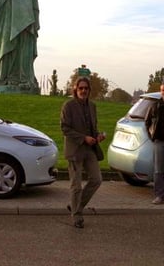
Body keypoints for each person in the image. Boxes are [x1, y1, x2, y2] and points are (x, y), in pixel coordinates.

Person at [60, 77, 105, 228]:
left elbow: (93, 127)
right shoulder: (68, 106)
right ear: (76, 89)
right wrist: (83, 138)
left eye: (86, 88)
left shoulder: (92, 106)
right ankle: (77, 217)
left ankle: (75, 206)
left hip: (89, 149)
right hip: (75, 150)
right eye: (81, 88)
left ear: (89, 90)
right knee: (76, 185)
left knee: (97, 179)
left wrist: (97, 136)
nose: (83, 91)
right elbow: (65, 128)